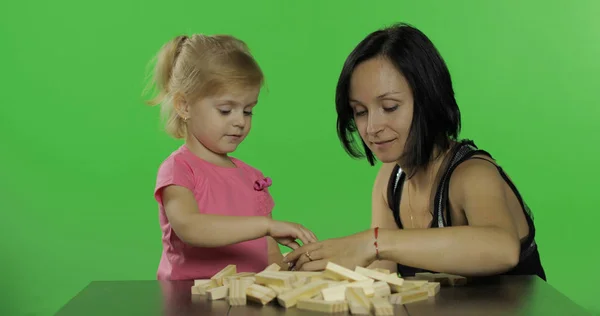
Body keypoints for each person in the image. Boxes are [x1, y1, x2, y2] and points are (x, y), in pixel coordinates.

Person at [284, 23, 546, 281]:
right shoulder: (390, 181)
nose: (372, 127)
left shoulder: (473, 174)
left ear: (428, 101)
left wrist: (374, 241)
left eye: (389, 107)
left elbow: (502, 249)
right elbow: (382, 278)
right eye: (360, 112)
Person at [143, 34, 317, 280]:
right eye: (226, 110)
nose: (240, 122)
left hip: (245, 302)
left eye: (248, 111)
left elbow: (270, 255)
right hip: (190, 303)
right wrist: (266, 226)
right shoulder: (179, 169)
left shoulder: (253, 178)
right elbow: (191, 228)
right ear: (184, 106)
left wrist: (295, 273)